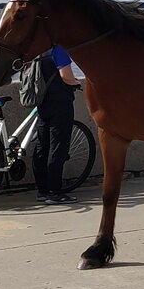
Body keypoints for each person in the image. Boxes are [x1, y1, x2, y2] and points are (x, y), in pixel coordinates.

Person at [31, 46, 83, 204]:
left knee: (42, 146)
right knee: (57, 147)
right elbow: (66, 75)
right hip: (60, 103)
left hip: (43, 103)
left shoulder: (37, 51)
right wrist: (76, 83)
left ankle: (42, 190)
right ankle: (55, 192)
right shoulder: (58, 49)